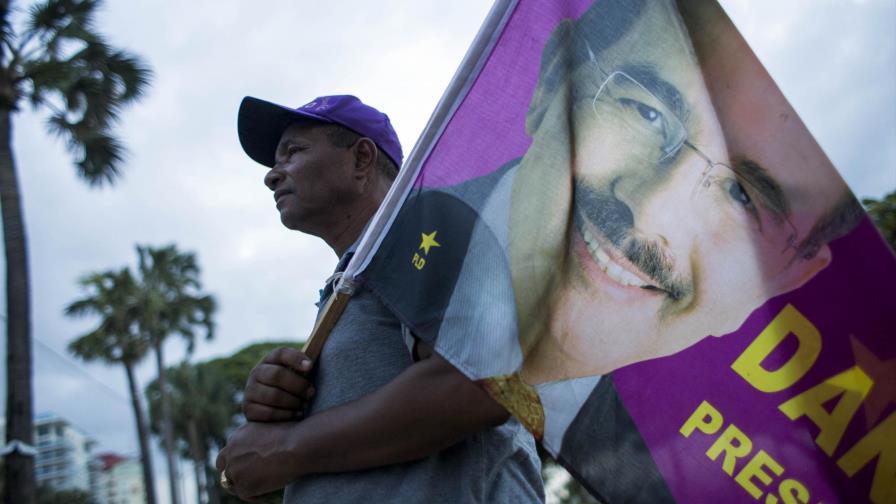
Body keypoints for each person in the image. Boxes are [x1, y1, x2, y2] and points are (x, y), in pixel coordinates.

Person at [404, 0, 864, 447]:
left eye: (742, 196)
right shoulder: (386, 250)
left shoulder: (667, 459)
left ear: (787, 275)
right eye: (647, 112)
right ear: (552, 84)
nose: (649, 213)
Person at [215, 95, 544, 503]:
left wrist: (287, 448)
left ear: (362, 158)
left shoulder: (421, 223)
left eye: (293, 152)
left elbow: (481, 384)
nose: (272, 175)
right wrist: (281, 397)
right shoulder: (354, 278)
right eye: (273, 163)